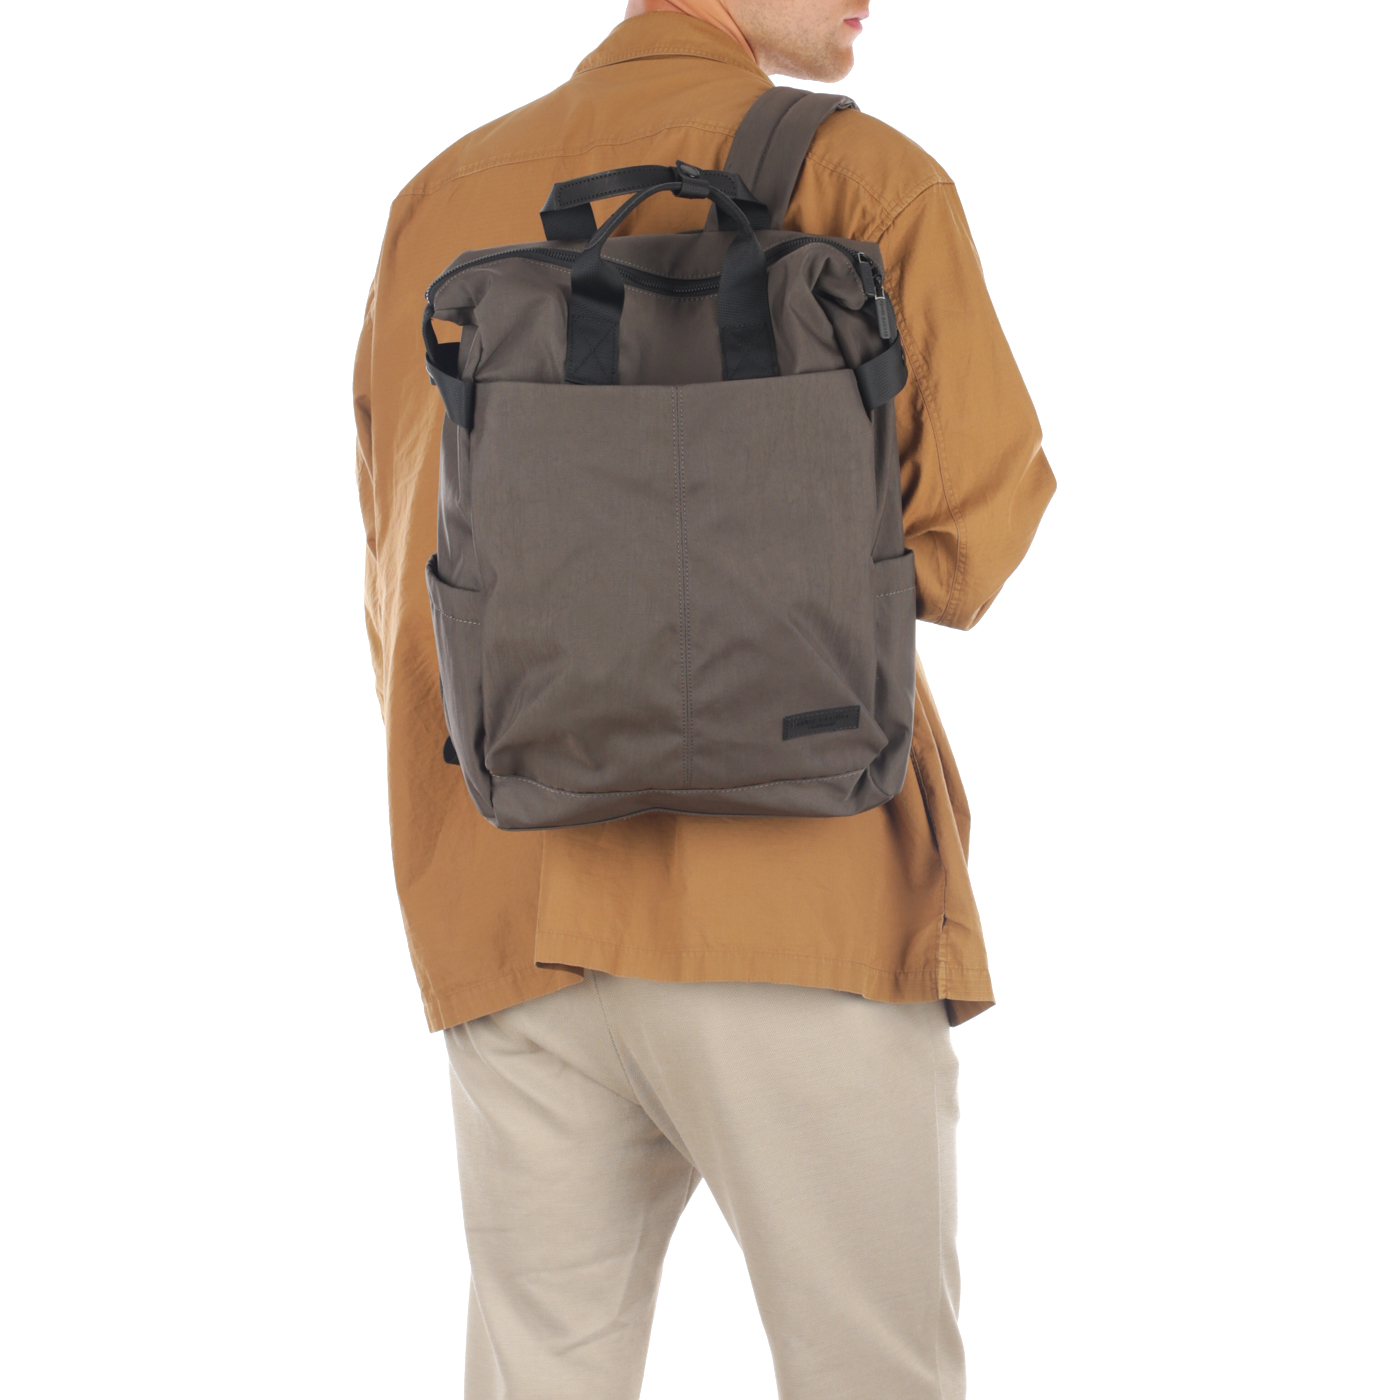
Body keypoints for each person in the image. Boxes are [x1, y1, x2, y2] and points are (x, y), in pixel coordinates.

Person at [353, 2, 1055, 1394]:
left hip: (509, 910)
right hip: (800, 906)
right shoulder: (862, 181)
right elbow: (975, 531)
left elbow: (404, 566)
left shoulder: (446, 195)